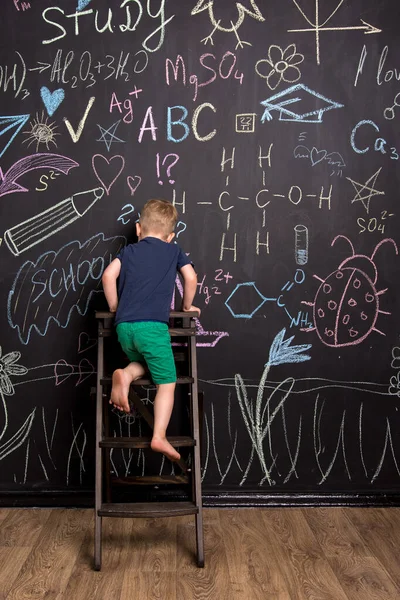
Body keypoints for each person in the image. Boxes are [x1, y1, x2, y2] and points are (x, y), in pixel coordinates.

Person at [101, 199, 200, 463]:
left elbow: (108, 277)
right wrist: (187, 306)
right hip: (152, 328)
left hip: (124, 329)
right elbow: (190, 278)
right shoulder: (173, 250)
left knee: (142, 361)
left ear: (138, 229)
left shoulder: (129, 252)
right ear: (170, 236)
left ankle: (125, 373)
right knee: (166, 381)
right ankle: (159, 435)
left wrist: (115, 307)